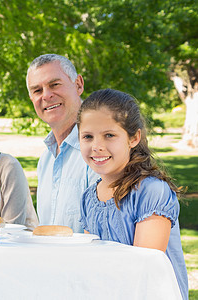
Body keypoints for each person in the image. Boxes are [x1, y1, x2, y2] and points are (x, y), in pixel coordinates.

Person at [77, 88, 188, 299]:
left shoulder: (151, 191)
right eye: (87, 136)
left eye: (109, 135)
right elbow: (90, 265)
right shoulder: (88, 198)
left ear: (134, 138)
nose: (97, 146)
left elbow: (144, 272)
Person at [25, 54, 99, 232]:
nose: (47, 95)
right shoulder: (45, 160)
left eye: (54, 85)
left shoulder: (100, 150)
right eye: (37, 90)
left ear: (78, 84)